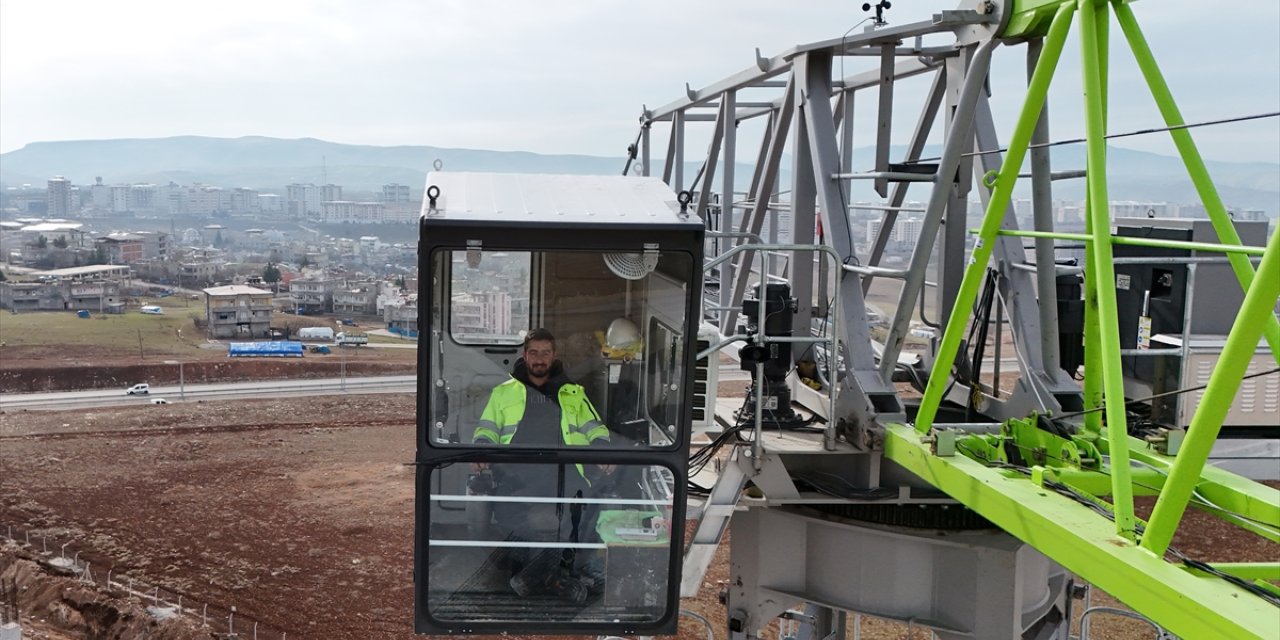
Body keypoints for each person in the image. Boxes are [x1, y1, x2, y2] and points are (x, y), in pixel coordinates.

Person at [471, 328, 613, 603]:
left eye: (545, 353)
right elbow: (486, 429)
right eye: (533, 353)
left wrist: (603, 451)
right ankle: (555, 576)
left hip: (567, 472)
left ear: (553, 356)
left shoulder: (573, 393)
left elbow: (596, 429)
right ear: (524, 356)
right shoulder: (503, 393)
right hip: (515, 475)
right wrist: (481, 450)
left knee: (583, 517)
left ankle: (536, 577)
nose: (539, 359)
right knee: (514, 521)